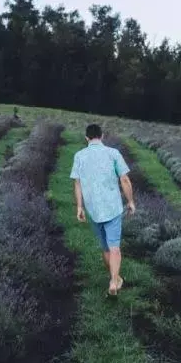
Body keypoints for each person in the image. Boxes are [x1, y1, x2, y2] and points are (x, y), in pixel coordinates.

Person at [71, 123, 136, 295]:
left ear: (86, 138)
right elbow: (125, 180)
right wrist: (130, 202)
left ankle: (115, 278)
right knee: (114, 247)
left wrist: (79, 207)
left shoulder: (79, 156)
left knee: (106, 248)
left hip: (93, 209)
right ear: (102, 136)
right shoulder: (113, 153)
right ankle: (114, 282)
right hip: (112, 206)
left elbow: (77, 183)